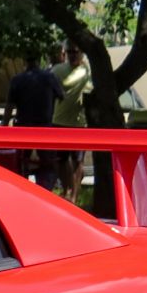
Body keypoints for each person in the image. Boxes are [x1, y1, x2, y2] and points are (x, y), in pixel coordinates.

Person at [4, 54, 62, 188]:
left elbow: (9, 107)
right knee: (47, 163)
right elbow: (61, 98)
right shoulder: (49, 78)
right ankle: (45, 190)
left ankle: (22, 187)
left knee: (21, 162)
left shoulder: (17, 80)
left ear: (25, 61)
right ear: (39, 60)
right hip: (45, 127)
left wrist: (4, 127)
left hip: (24, 128)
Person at [51, 42, 92, 200]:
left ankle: (74, 196)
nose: (73, 55)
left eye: (76, 51)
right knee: (60, 160)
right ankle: (66, 189)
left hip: (79, 124)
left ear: (82, 52)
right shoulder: (57, 70)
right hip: (59, 121)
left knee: (78, 161)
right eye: (69, 52)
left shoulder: (88, 71)